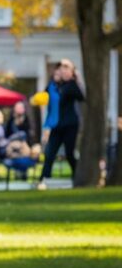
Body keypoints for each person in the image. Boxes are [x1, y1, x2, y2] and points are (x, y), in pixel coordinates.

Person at [38, 58, 85, 189]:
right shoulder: (54, 86)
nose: (62, 71)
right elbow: (45, 98)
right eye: (60, 68)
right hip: (57, 125)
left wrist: (74, 78)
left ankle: (76, 178)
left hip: (70, 125)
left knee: (70, 153)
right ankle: (42, 179)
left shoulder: (72, 85)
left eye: (65, 68)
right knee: (50, 152)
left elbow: (81, 96)